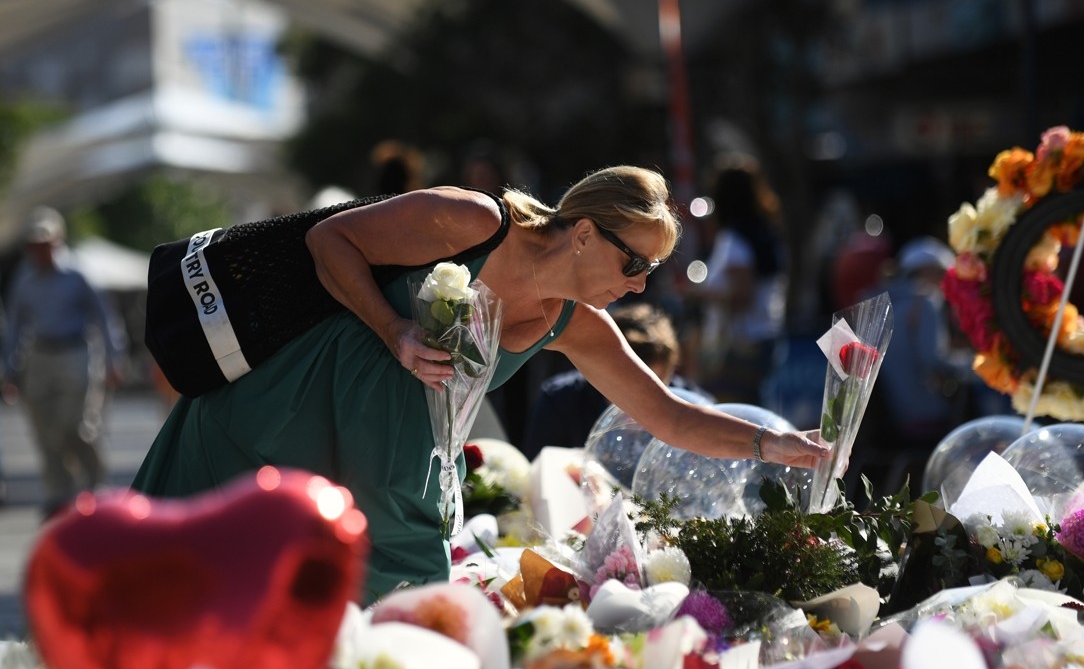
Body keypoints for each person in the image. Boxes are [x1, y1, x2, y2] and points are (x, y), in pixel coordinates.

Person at [131, 166, 829, 601]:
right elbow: (328, 241)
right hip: (278, 416)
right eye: (634, 263)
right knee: (172, 577)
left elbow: (668, 414)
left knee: (359, 615)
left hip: (389, 469)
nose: (641, 285)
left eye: (651, 273)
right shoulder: (474, 221)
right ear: (584, 233)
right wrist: (392, 328)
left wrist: (775, 444)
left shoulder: (575, 324)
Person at [4, 206, 126, 517]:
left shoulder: (78, 273)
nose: (40, 249)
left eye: (45, 242)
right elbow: (16, 325)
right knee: (45, 431)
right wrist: (10, 369)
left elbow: (104, 317)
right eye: (34, 243)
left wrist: (115, 359)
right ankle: (58, 495)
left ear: (57, 240)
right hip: (40, 356)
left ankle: (96, 486)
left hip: (76, 353)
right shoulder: (25, 278)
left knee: (77, 426)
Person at [522, 301, 708, 458]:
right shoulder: (559, 401)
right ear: (603, 367)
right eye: (630, 384)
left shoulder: (693, 408)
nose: (640, 399)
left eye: (655, 384)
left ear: (671, 372)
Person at [687, 156, 787, 404]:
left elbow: (743, 295)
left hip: (740, 345)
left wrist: (694, 293)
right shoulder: (767, 233)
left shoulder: (734, 239)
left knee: (738, 417)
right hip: (766, 336)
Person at [876, 237, 974, 445]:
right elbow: (934, 359)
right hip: (924, 412)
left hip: (888, 416)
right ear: (928, 272)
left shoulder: (880, 301)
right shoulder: (927, 300)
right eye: (942, 275)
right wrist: (975, 365)